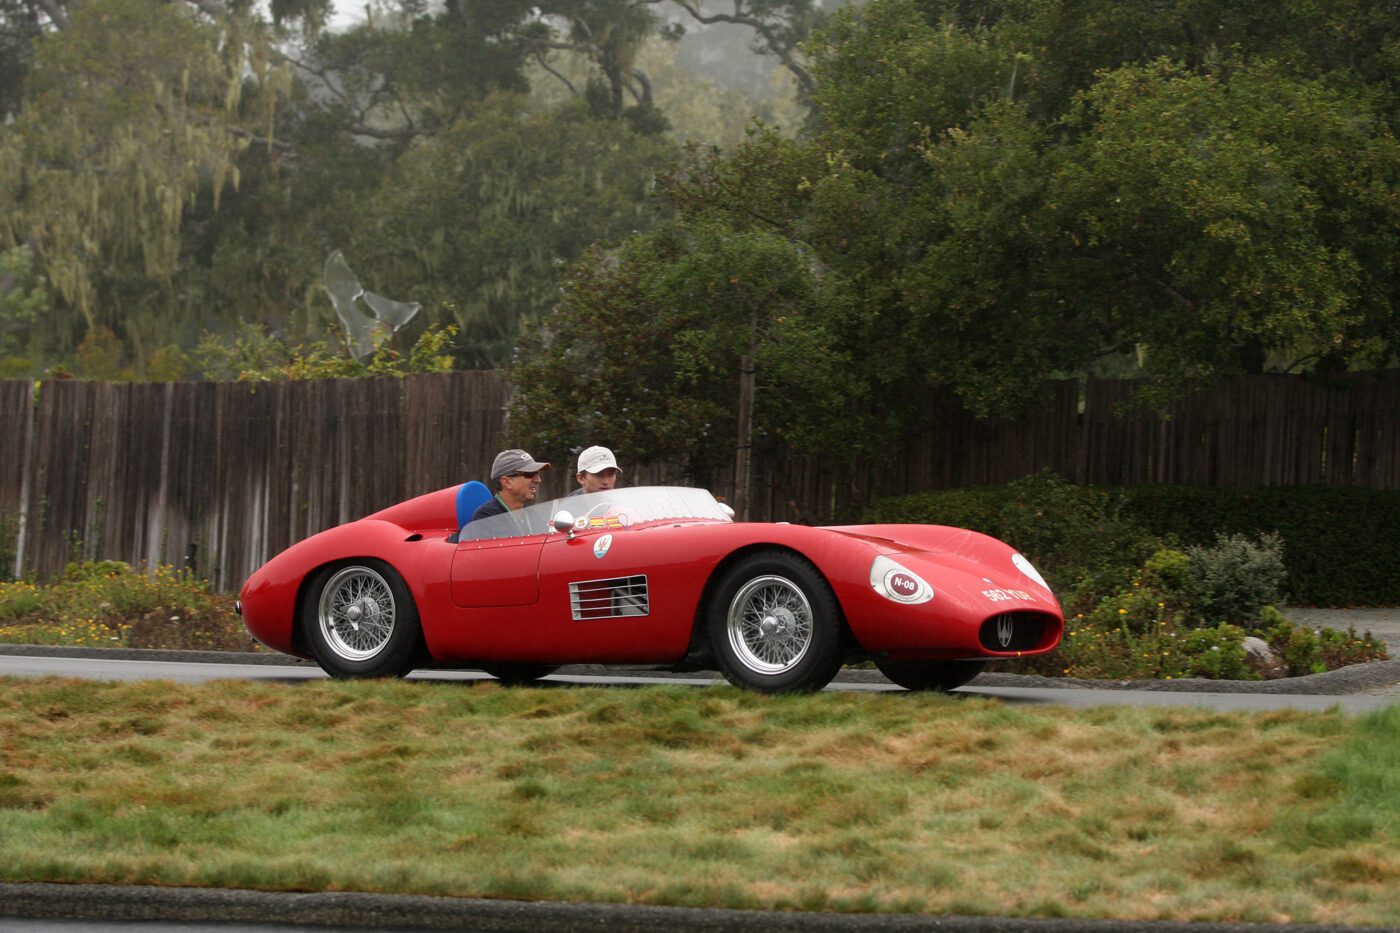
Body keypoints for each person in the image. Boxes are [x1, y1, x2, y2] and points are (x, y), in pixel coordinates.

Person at [471, 449, 551, 522]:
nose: (538, 480)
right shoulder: (486, 517)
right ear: (507, 482)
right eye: (530, 474)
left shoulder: (531, 515)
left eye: (537, 473)